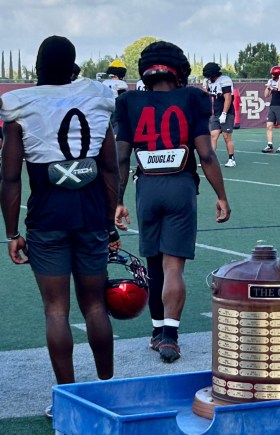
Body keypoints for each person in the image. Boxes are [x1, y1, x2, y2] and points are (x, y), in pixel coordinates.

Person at [0, 35, 120, 417]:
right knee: (95, 304)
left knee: (56, 310)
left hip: (46, 218)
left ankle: (68, 399)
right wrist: (110, 221)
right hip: (89, 218)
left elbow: (11, 177)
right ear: (73, 66)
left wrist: (11, 232)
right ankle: (106, 390)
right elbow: (110, 169)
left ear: (37, 66)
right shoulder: (97, 97)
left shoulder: (21, 104)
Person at [114, 41, 231, 363]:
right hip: (180, 186)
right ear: (179, 70)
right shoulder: (192, 97)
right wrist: (221, 195)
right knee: (173, 266)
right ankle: (170, 335)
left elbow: (121, 157)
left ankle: (155, 332)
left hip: (146, 188)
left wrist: (117, 200)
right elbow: (205, 153)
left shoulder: (128, 101)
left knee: (153, 263)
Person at [203, 62, 237, 168]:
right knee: (213, 135)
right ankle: (210, 159)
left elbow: (228, 97)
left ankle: (231, 159)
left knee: (226, 136)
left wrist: (224, 113)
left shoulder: (225, 80)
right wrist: (205, 85)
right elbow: (207, 94)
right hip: (216, 112)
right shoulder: (210, 82)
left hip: (227, 112)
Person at [262, 65, 280, 153]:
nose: (272, 76)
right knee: (269, 126)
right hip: (272, 106)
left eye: (274, 75)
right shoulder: (271, 81)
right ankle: (269, 145)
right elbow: (266, 95)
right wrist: (268, 86)